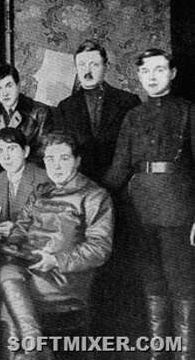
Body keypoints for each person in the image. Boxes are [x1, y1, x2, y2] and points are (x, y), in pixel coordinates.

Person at [104, 48, 195, 359]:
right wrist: (86, 194)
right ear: (139, 76)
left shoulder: (188, 111)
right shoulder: (133, 116)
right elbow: (119, 169)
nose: (152, 77)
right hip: (139, 211)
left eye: (159, 69)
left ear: (173, 73)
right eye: (145, 71)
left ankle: (184, 354)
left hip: (179, 210)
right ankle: (159, 352)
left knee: (181, 282)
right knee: (152, 281)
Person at [0, 131, 114, 359]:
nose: (56, 166)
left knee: (9, 291)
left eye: (64, 158)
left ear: (77, 160)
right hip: (30, 268)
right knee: (9, 275)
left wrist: (55, 260)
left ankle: (32, 345)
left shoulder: (94, 196)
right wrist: (13, 245)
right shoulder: (41, 191)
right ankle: (33, 346)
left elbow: (99, 248)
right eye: (50, 159)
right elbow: (21, 227)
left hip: (65, 276)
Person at [55, 40, 140, 182]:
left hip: (122, 183)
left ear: (106, 67)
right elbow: (63, 151)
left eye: (94, 64)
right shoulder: (65, 107)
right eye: (82, 65)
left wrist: (115, 180)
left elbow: (135, 150)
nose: (87, 71)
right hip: (80, 183)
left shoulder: (128, 102)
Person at [0, 128, 49, 236]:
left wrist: (17, 228)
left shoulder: (42, 179)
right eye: (0, 151)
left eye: (11, 149)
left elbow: (48, 223)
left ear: (25, 151)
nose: (6, 157)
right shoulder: (0, 178)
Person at [0, 64, 52, 164]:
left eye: (9, 86)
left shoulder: (40, 112)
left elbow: (44, 153)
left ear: (18, 85)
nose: (4, 93)